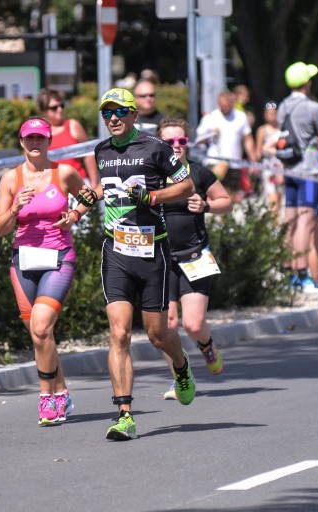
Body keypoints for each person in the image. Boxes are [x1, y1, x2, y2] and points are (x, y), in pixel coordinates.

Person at [88, 88, 197, 440]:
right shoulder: (101, 151)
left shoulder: (156, 148)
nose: (113, 118)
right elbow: (108, 186)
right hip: (116, 251)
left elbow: (187, 187)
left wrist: (151, 196)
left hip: (153, 251)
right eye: (107, 113)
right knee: (118, 332)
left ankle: (180, 367)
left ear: (134, 115)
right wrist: (89, 197)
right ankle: (124, 414)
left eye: (120, 111)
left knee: (156, 334)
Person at [0, 117, 93, 425]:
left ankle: (48, 399)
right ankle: (62, 391)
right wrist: (14, 209)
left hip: (58, 257)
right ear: (22, 142)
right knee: (40, 334)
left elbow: (89, 196)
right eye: (29, 138)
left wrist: (74, 214)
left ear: (49, 142)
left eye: (41, 138)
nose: (35, 144)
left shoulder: (63, 172)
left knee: (40, 328)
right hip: (23, 261)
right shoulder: (11, 179)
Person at [155, 117, 233, 399]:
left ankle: (207, 345)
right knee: (168, 326)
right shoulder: (152, 176)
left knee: (194, 324)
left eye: (181, 141)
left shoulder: (198, 174)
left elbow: (226, 202)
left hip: (194, 256)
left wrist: (206, 205)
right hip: (161, 260)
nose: (175, 146)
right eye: (168, 142)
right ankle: (180, 377)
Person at [278, 61, 318, 291]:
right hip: (308, 172)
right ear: (306, 83)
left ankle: (286, 271)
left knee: (289, 220)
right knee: (305, 223)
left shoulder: (282, 106)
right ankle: (301, 274)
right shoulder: (313, 108)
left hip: (289, 169)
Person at [197, 91, 257, 200]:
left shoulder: (241, 117)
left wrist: (253, 161)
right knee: (214, 193)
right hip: (215, 161)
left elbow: (247, 139)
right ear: (218, 103)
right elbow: (199, 139)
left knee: (231, 196)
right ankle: (212, 213)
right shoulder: (211, 117)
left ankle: (228, 216)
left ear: (233, 103)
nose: (226, 107)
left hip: (235, 162)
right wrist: (210, 133)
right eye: (223, 105)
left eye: (228, 105)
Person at [37, 88, 99, 185]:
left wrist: (94, 184)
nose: (60, 110)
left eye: (62, 105)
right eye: (54, 108)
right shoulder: (38, 133)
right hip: (51, 186)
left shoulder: (72, 125)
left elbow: (88, 155)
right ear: (44, 111)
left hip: (78, 183)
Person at [255, 100, 283, 212]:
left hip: (281, 165)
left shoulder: (282, 129)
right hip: (268, 166)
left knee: (281, 196)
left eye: (274, 113)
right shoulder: (262, 130)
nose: (271, 116)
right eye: (269, 113)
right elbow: (258, 149)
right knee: (272, 198)